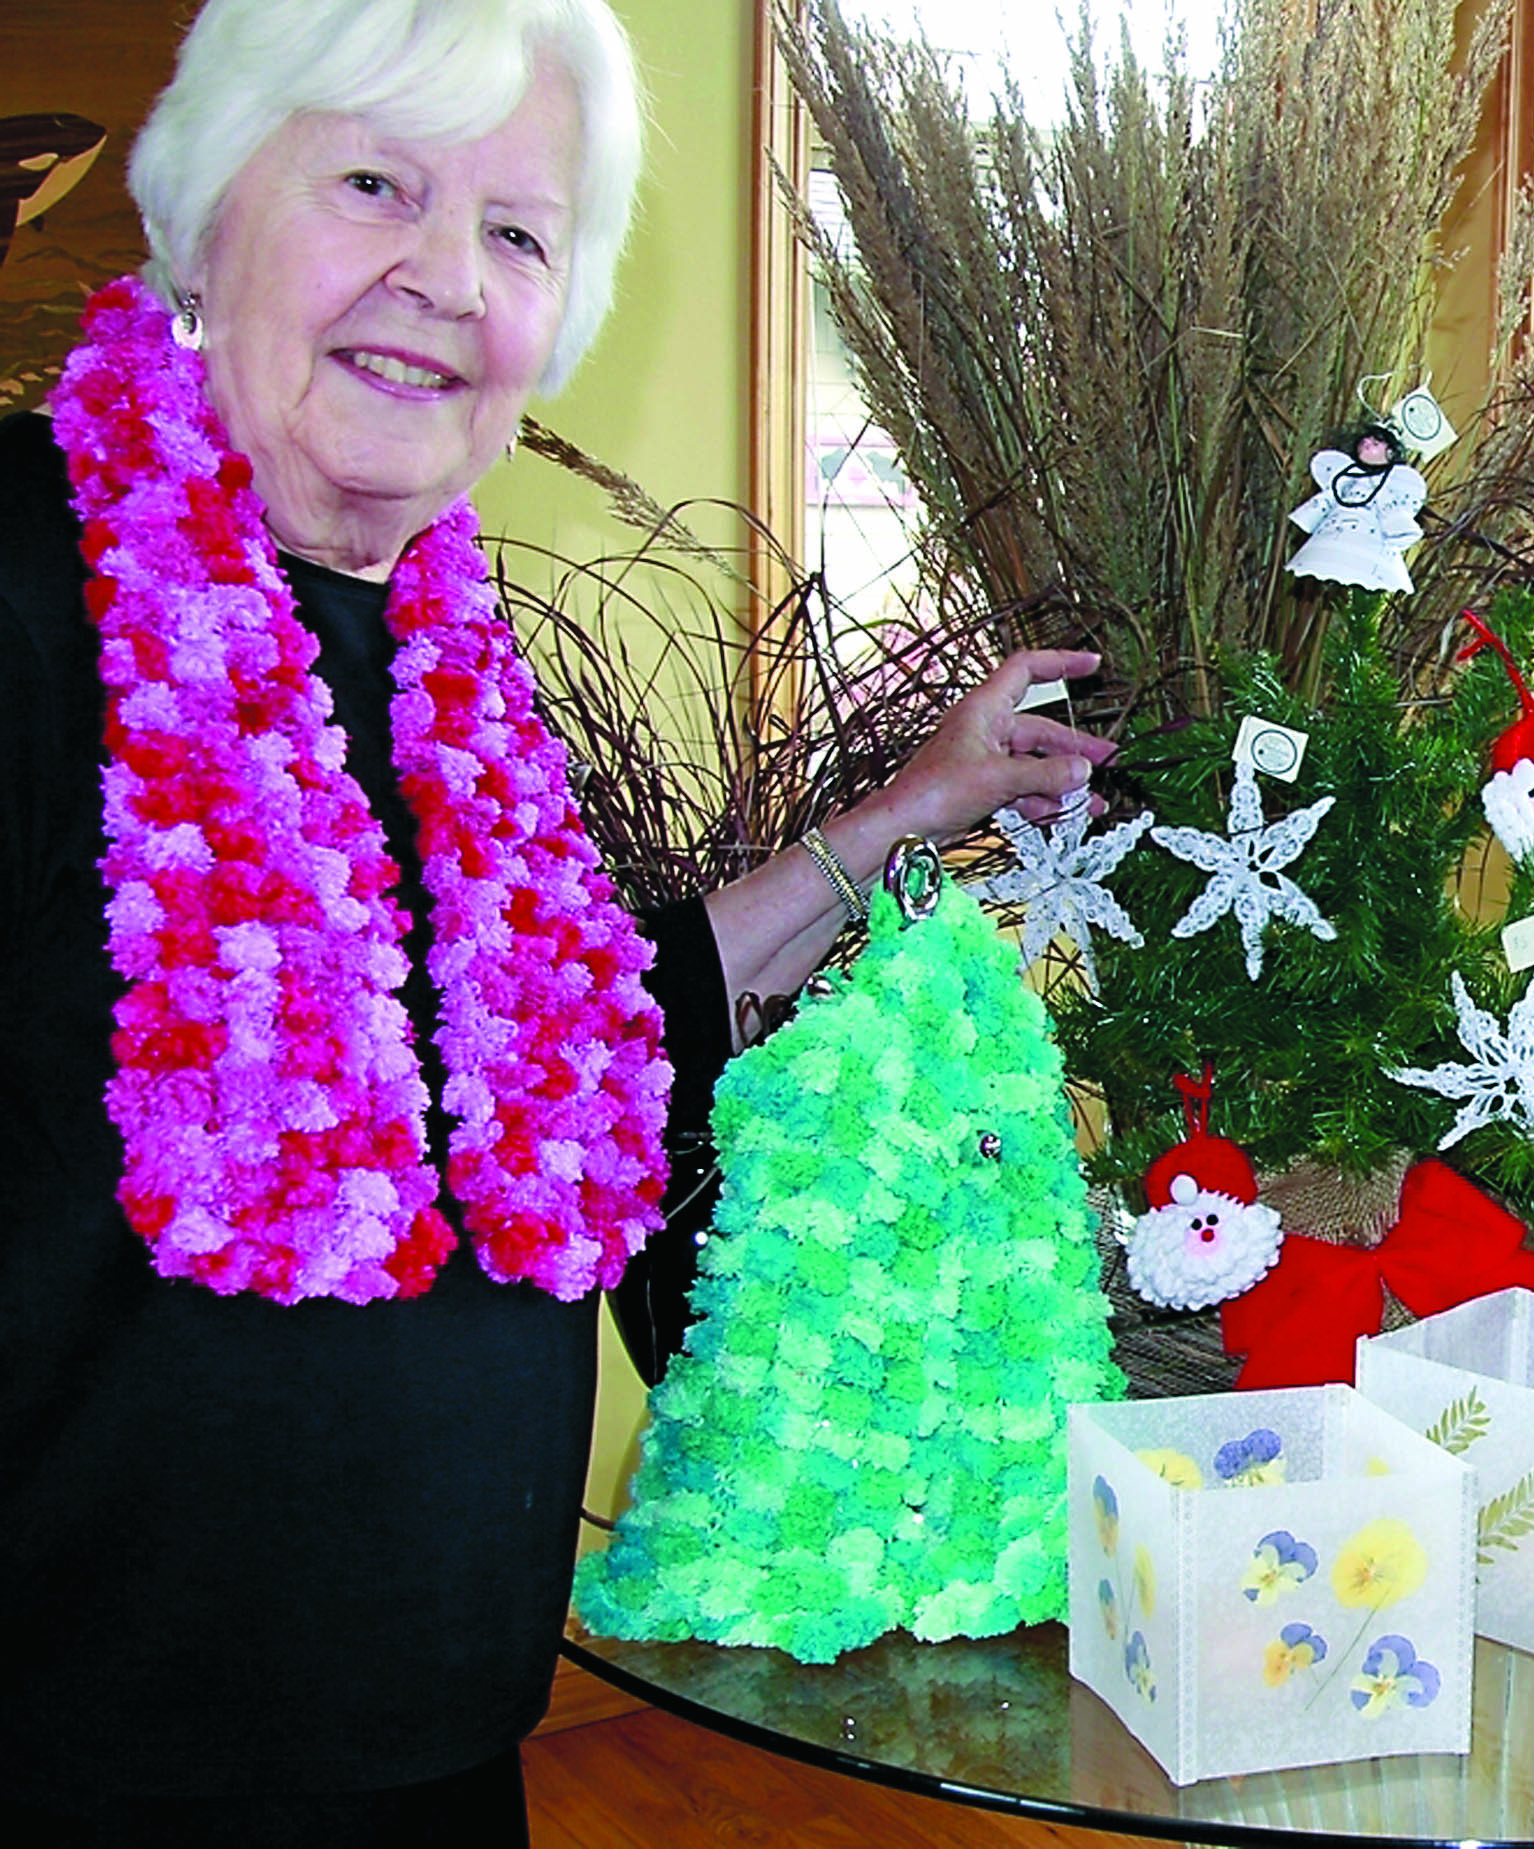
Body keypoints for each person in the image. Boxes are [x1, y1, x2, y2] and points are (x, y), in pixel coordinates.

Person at [0, 1, 1112, 1840]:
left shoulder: (446, 656)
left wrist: (918, 806)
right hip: (93, 1755)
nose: (445, 277)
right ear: (201, 223)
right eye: (375, 184)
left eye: (516, 231)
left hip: (426, 1729)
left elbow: (599, 1026)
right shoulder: (42, 586)